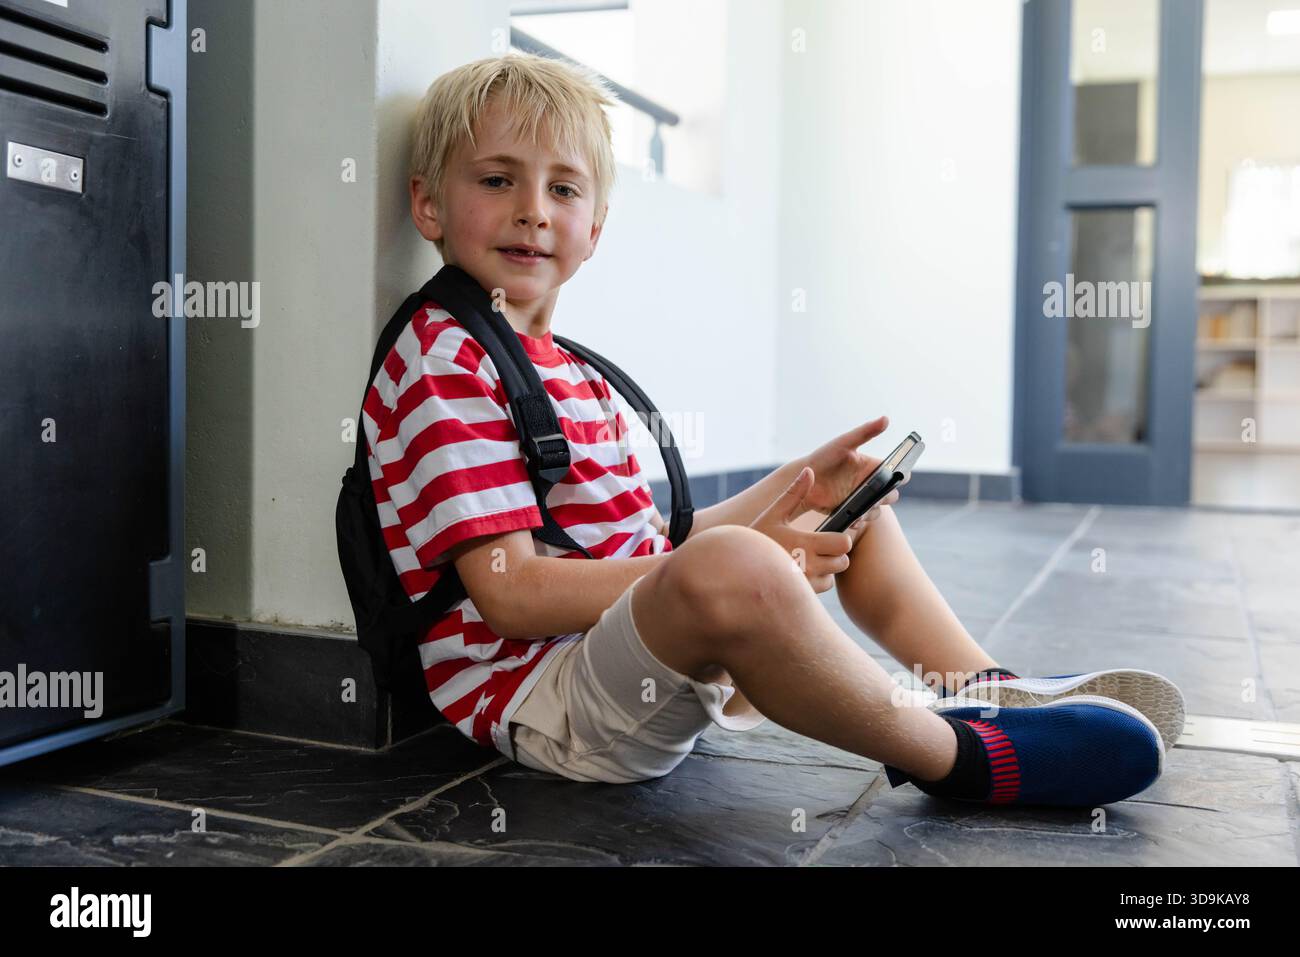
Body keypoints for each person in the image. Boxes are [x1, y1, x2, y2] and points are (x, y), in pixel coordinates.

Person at [361, 52, 1182, 806]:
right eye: (498, 181)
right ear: (429, 203)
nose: (534, 213)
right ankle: (957, 757)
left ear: (596, 227)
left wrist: (792, 492)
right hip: (552, 701)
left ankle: (979, 684)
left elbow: (648, 543)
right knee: (736, 563)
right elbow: (509, 596)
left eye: (564, 190)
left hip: (622, 656)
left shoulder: (572, 370)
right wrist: (757, 558)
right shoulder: (444, 356)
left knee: (846, 501)